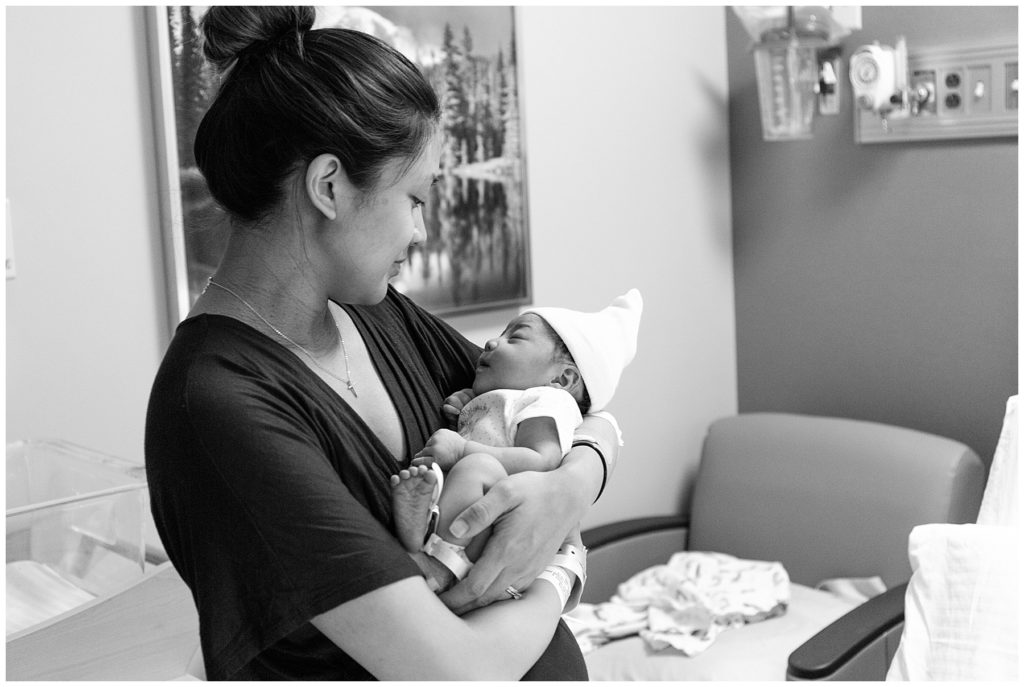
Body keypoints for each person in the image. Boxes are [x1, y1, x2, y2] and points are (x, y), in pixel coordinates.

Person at [144, 6, 619, 681]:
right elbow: (457, 671)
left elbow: (571, 401)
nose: (423, 233)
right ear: (329, 186)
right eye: (418, 199)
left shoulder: (377, 313)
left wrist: (574, 483)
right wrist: (559, 574)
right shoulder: (219, 406)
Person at [390, 290, 643, 600]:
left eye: (515, 338)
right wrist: (470, 403)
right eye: (501, 334)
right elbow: (497, 425)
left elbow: (542, 460)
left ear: (562, 380)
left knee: (475, 467)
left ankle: (438, 563)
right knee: (440, 474)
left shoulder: (547, 402)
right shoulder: (508, 396)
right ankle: (422, 531)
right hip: (472, 504)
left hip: (501, 515)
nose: (492, 342)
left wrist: (463, 449)